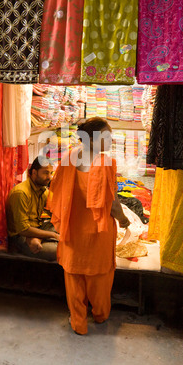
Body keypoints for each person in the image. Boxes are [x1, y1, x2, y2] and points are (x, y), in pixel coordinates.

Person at [48, 117, 130, 335]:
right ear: (92, 141)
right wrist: (123, 220)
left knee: (74, 278)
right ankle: (101, 315)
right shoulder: (105, 164)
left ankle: (78, 323)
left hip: (72, 229)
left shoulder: (68, 157)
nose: (111, 140)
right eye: (106, 136)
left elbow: (56, 189)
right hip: (97, 232)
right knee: (100, 279)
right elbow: (112, 204)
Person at [6, 155, 59, 261]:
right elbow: (23, 229)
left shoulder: (44, 191)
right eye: (45, 173)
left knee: (64, 230)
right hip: (21, 237)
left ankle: (36, 239)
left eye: (51, 173)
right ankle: (34, 241)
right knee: (60, 251)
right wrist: (54, 235)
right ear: (34, 172)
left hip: (38, 228)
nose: (49, 177)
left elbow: (55, 214)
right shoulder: (21, 193)